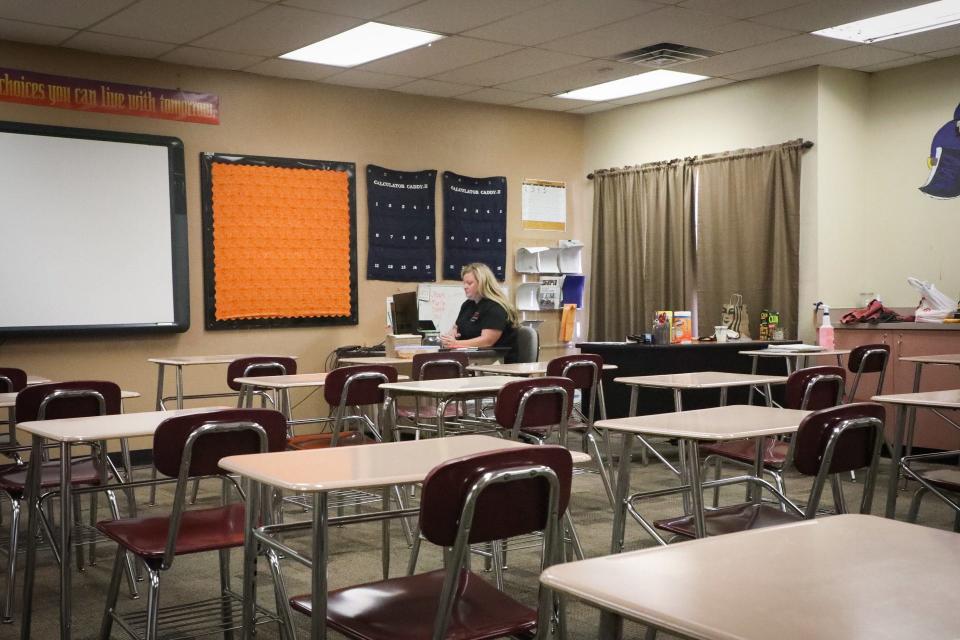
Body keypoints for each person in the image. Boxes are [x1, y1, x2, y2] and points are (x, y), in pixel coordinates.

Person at [441, 263, 520, 363]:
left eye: (469, 283)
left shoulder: (495, 307)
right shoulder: (468, 305)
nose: (465, 287)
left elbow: (487, 341)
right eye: (464, 283)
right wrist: (449, 338)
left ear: (483, 283)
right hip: (473, 359)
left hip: (497, 362)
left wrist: (455, 343)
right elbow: (455, 328)